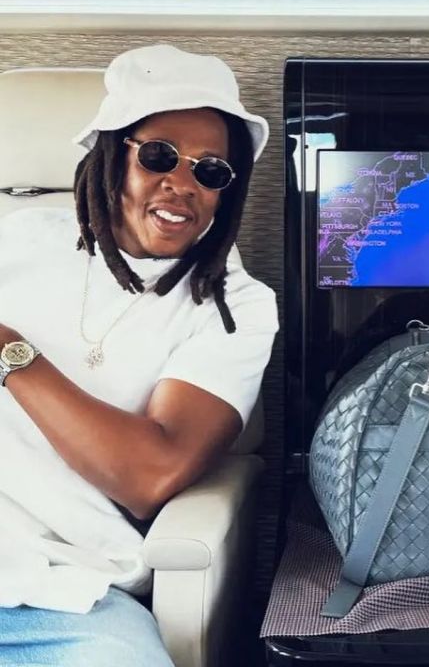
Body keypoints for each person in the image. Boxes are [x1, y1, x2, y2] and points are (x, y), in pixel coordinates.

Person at [0, 44, 279, 665]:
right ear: (112, 156)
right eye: (159, 156)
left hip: (61, 590)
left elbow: (151, 477)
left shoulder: (232, 307)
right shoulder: (17, 240)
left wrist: (10, 353)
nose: (182, 183)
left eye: (212, 171)